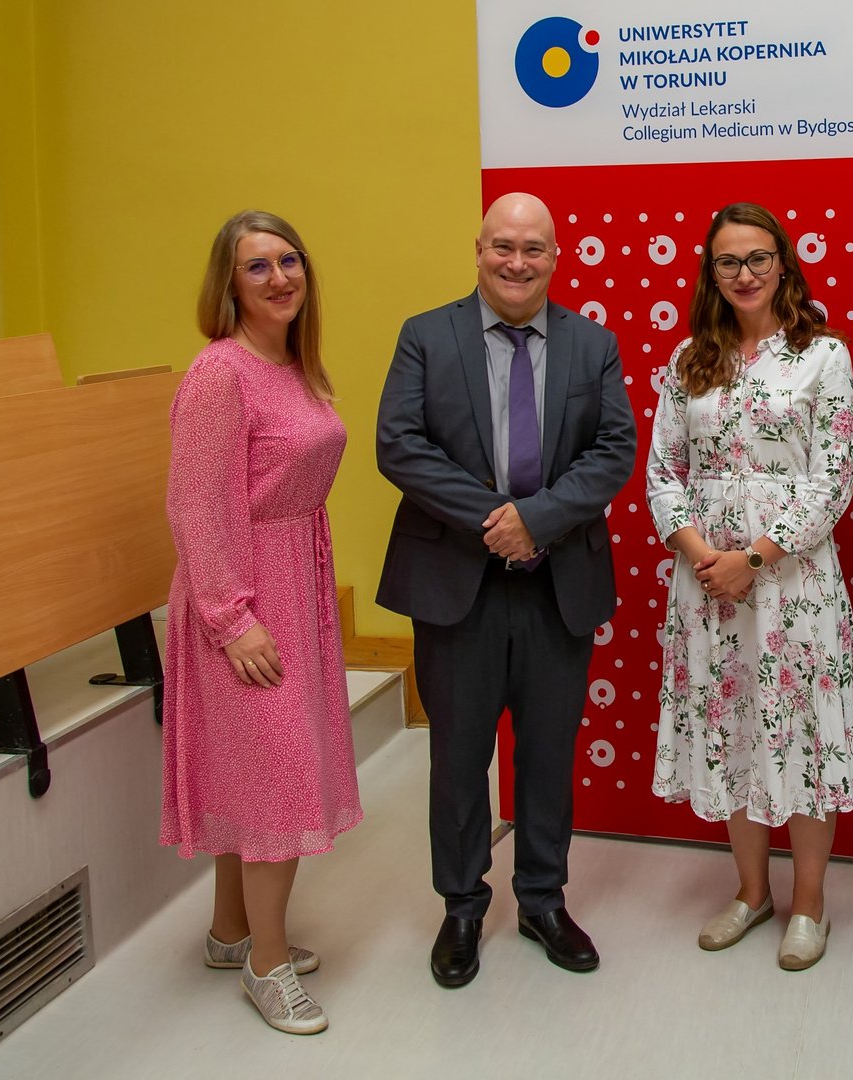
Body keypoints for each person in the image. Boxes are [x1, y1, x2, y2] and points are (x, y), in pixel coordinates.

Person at [375, 193, 636, 986]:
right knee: (459, 756)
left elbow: (613, 450)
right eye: (502, 246)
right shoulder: (426, 336)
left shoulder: (592, 344)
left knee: (548, 754)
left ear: (556, 257)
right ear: (479, 248)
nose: (516, 263)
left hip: (559, 582)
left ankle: (542, 901)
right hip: (458, 584)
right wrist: (498, 520)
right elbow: (400, 445)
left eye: (533, 249)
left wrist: (538, 521)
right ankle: (461, 906)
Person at [645, 202, 853, 972]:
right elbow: (663, 473)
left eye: (757, 258)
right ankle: (751, 893)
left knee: (798, 733)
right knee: (732, 729)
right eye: (728, 262)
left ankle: (808, 903)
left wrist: (756, 556)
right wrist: (704, 556)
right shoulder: (689, 360)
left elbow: (834, 478)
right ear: (711, 274)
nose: (744, 274)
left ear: (783, 265)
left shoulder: (823, 355)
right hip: (707, 583)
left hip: (792, 582)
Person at [161, 210, 360, 1036]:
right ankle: (267, 966)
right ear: (229, 284)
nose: (280, 277)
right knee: (279, 779)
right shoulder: (220, 373)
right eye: (257, 266)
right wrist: (229, 617)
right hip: (241, 596)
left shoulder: (293, 364)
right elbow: (196, 505)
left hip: (293, 584)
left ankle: (230, 932)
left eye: (290, 260)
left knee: (255, 771)